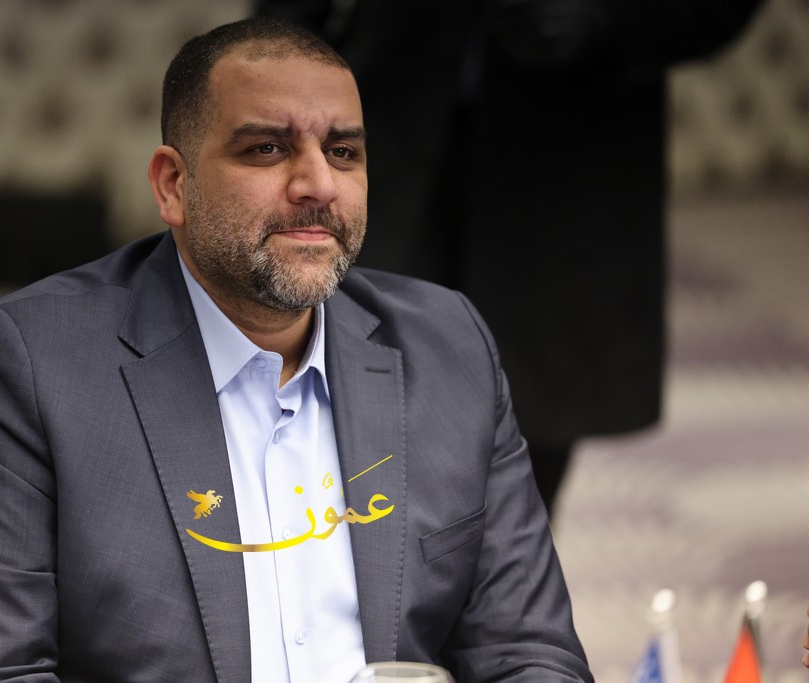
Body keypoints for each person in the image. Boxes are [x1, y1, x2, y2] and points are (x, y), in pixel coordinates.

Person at [0, 17, 592, 682]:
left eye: (343, 152)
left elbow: (526, 648)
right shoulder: (25, 366)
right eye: (267, 148)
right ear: (174, 185)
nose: (318, 184)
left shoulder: (448, 346)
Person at [257, 0, 764, 512]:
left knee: (529, 433)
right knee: (344, 398)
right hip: (387, 123)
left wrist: (614, 18)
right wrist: (284, 60)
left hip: (569, 153)